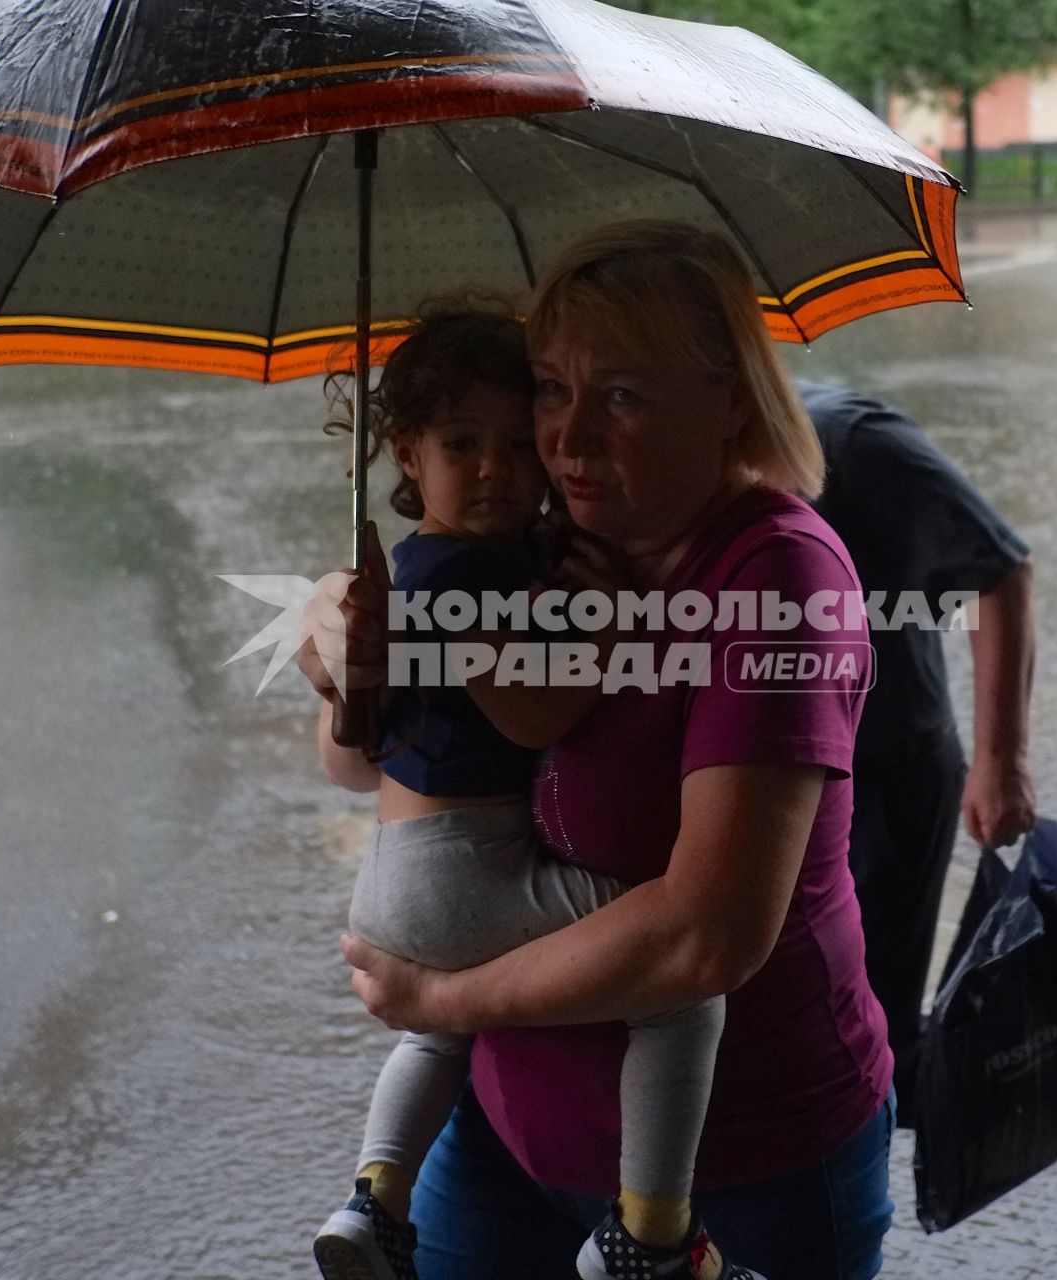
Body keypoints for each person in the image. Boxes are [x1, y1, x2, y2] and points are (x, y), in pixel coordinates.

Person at [300, 221, 893, 1280]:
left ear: (728, 402)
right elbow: (363, 767)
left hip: (737, 1166)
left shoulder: (777, 580)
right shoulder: (555, 540)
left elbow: (705, 938)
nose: (567, 440)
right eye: (550, 389)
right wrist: (349, 669)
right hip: (507, 1124)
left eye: (621, 395)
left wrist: (437, 1002)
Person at [308, 310, 753, 1280]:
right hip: (464, 872)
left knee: (439, 1036)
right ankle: (652, 1227)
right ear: (405, 452)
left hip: (397, 879)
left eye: (519, 446)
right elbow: (533, 714)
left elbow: (359, 743)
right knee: (679, 982)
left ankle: (376, 1198)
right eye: (461, 445)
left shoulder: (424, 569)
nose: (495, 471)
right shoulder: (459, 579)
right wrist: (604, 632)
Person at [794, 382, 1035, 1102]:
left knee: (868, 1045)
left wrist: (1002, 760)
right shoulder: (638, 455)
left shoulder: (849, 443)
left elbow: (1002, 569)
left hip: (886, 770)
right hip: (768, 775)